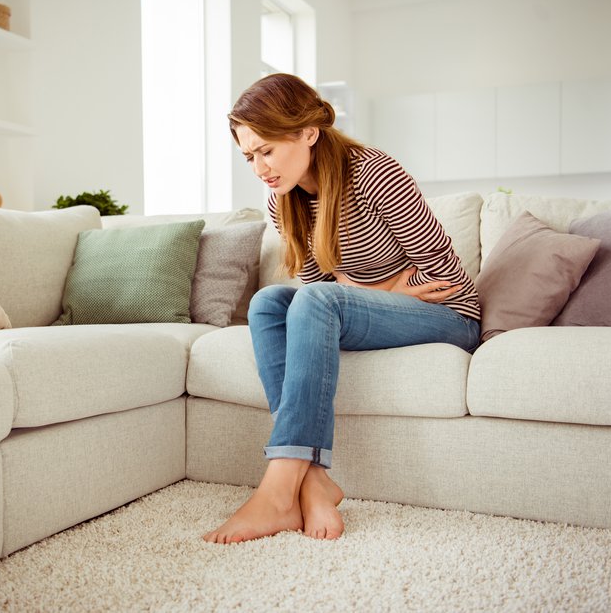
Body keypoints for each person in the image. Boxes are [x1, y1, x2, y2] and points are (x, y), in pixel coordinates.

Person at [203, 73, 481, 545]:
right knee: (270, 302)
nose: (259, 168)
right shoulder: (283, 202)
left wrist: (371, 289)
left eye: (267, 150)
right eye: (249, 156)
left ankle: (277, 490)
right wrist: (385, 287)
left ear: (307, 133)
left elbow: (443, 274)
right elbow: (320, 289)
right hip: (378, 308)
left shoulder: (374, 173)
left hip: (450, 316)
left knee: (312, 301)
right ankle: (312, 482)